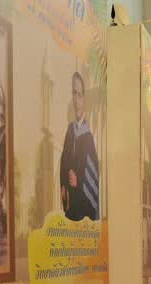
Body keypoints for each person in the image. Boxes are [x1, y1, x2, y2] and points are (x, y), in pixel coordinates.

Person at [60, 72, 100, 222]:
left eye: (80, 95)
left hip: (83, 208)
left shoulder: (88, 136)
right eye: (74, 93)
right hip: (71, 205)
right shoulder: (70, 131)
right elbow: (64, 161)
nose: (77, 100)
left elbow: (94, 171)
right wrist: (64, 182)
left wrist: (79, 180)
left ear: (84, 99)